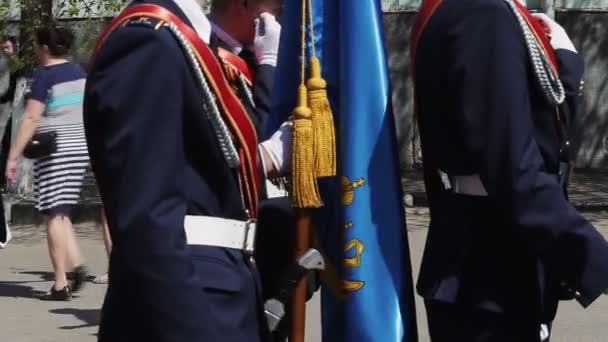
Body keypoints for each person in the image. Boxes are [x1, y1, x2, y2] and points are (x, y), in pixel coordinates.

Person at [83, 0, 291, 340]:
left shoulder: (186, 41)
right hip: (191, 301)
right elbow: (148, 223)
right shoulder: (148, 41)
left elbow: (215, 178)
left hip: (222, 287)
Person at [411, 0, 608, 341]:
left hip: (487, 258)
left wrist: (568, 65)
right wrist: (596, 260)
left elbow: (542, 131)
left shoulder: (482, 11)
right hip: (491, 270)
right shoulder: (482, 14)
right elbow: (513, 168)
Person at [6, 26, 90, 299]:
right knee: (62, 210)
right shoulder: (80, 72)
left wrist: (12, 157)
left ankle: (60, 282)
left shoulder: (45, 77)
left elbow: (30, 119)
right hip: (79, 148)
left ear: (43, 48)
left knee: (53, 214)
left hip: (53, 150)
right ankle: (77, 265)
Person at [0, 35, 17, 248]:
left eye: (7, 48)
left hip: (9, 124)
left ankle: (4, 229)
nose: (4, 52)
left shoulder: (14, 70)